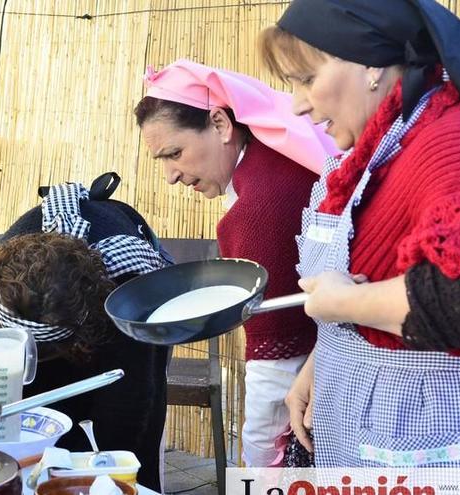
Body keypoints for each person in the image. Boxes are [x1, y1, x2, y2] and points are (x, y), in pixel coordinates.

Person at [260, 0, 460, 469]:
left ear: (368, 64)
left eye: (306, 80)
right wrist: (322, 364)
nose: (298, 104)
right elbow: (367, 278)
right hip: (384, 432)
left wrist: (343, 304)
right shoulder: (375, 153)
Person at [134, 59, 338, 467]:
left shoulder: (258, 212)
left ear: (221, 123)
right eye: (162, 160)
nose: (171, 176)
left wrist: (257, 463)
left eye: (175, 153)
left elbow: (277, 366)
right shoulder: (273, 161)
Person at [0, 174, 172, 490]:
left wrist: (102, 478)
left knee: (125, 461)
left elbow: (126, 412)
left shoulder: (125, 290)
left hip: (111, 313)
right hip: (54, 319)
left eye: (42, 354)